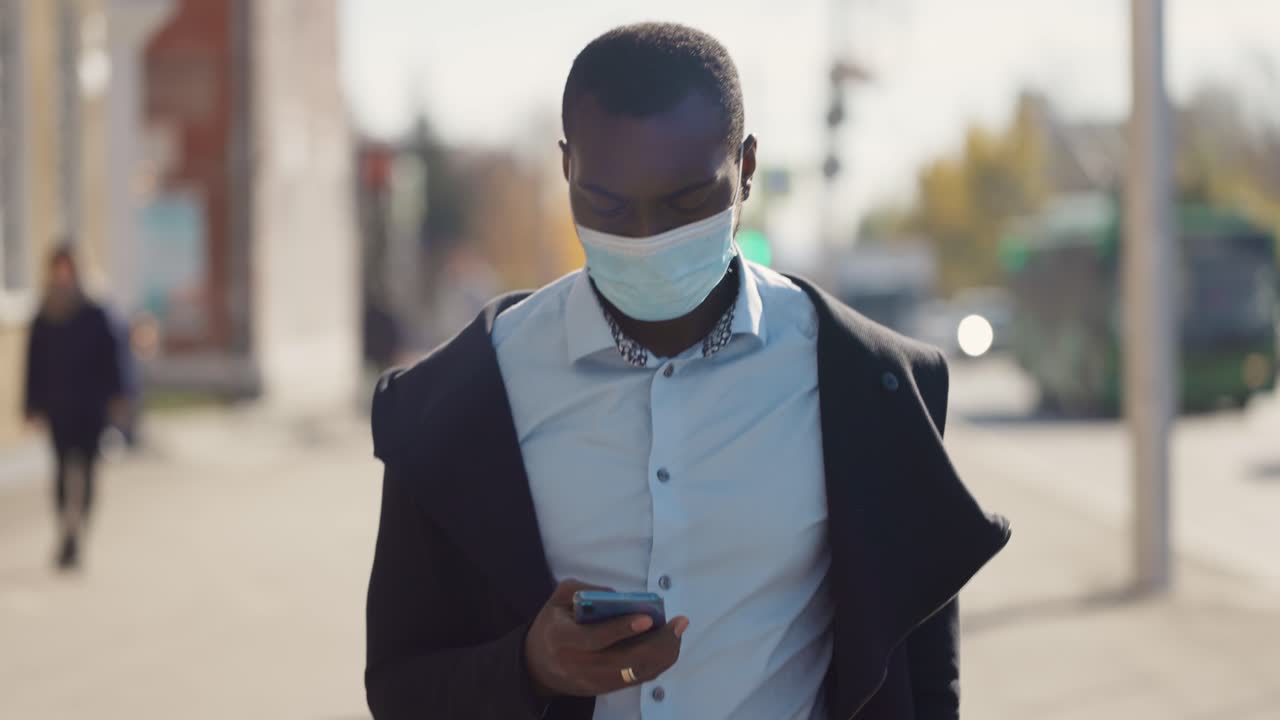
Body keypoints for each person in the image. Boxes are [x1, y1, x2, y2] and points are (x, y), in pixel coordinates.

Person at [365, 23, 1010, 720]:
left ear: (748, 167)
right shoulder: (457, 402)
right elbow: (399, 686)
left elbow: (924, 679)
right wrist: (529, 667)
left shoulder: (871, 387)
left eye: (686, 203)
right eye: (607, 204)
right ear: (566, 169)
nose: (646, 240)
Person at [24, 247, 125, 570]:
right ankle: (65, 534)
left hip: (90, 406)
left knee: (88, 471)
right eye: (58, 269)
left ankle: (79, 530)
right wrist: (31, 404)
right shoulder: (45, 313)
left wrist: (118, 394)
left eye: (68, 269)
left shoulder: (95, 311)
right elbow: (34, 364)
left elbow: (113, 356)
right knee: (61, 471)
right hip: (58, 406)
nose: (63, 275)